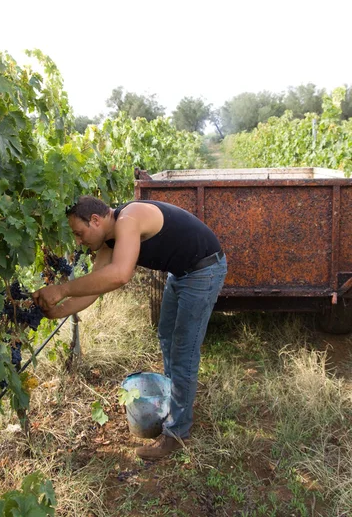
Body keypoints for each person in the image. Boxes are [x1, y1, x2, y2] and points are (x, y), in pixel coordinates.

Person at [33, 196, 227, 460]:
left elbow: (120, 275)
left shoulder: (128, 219)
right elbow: (93, 289)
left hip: (204, 270)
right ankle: (176, 407)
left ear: (96, 220)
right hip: (181, 273)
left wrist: (62, 289)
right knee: (166, 335)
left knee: (185, 351)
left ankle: (177, 434)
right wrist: (56, 311)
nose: (78, 241)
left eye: (79, 233)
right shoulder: (108, 241)